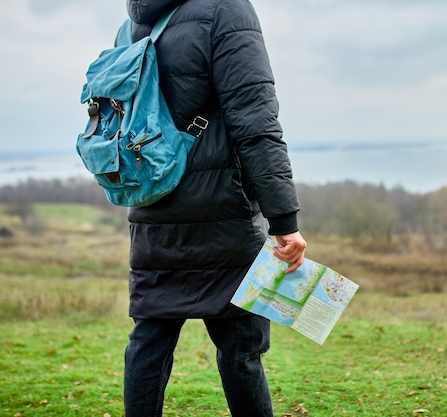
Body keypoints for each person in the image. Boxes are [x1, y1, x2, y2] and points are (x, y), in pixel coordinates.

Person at [122, 0, 307, 416]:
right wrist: (284, 220)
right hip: (224, 211)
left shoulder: (140, 19)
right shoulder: (228, 9)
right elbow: (256, 120)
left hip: (153, 204)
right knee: (242, 348)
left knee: (149, 343)